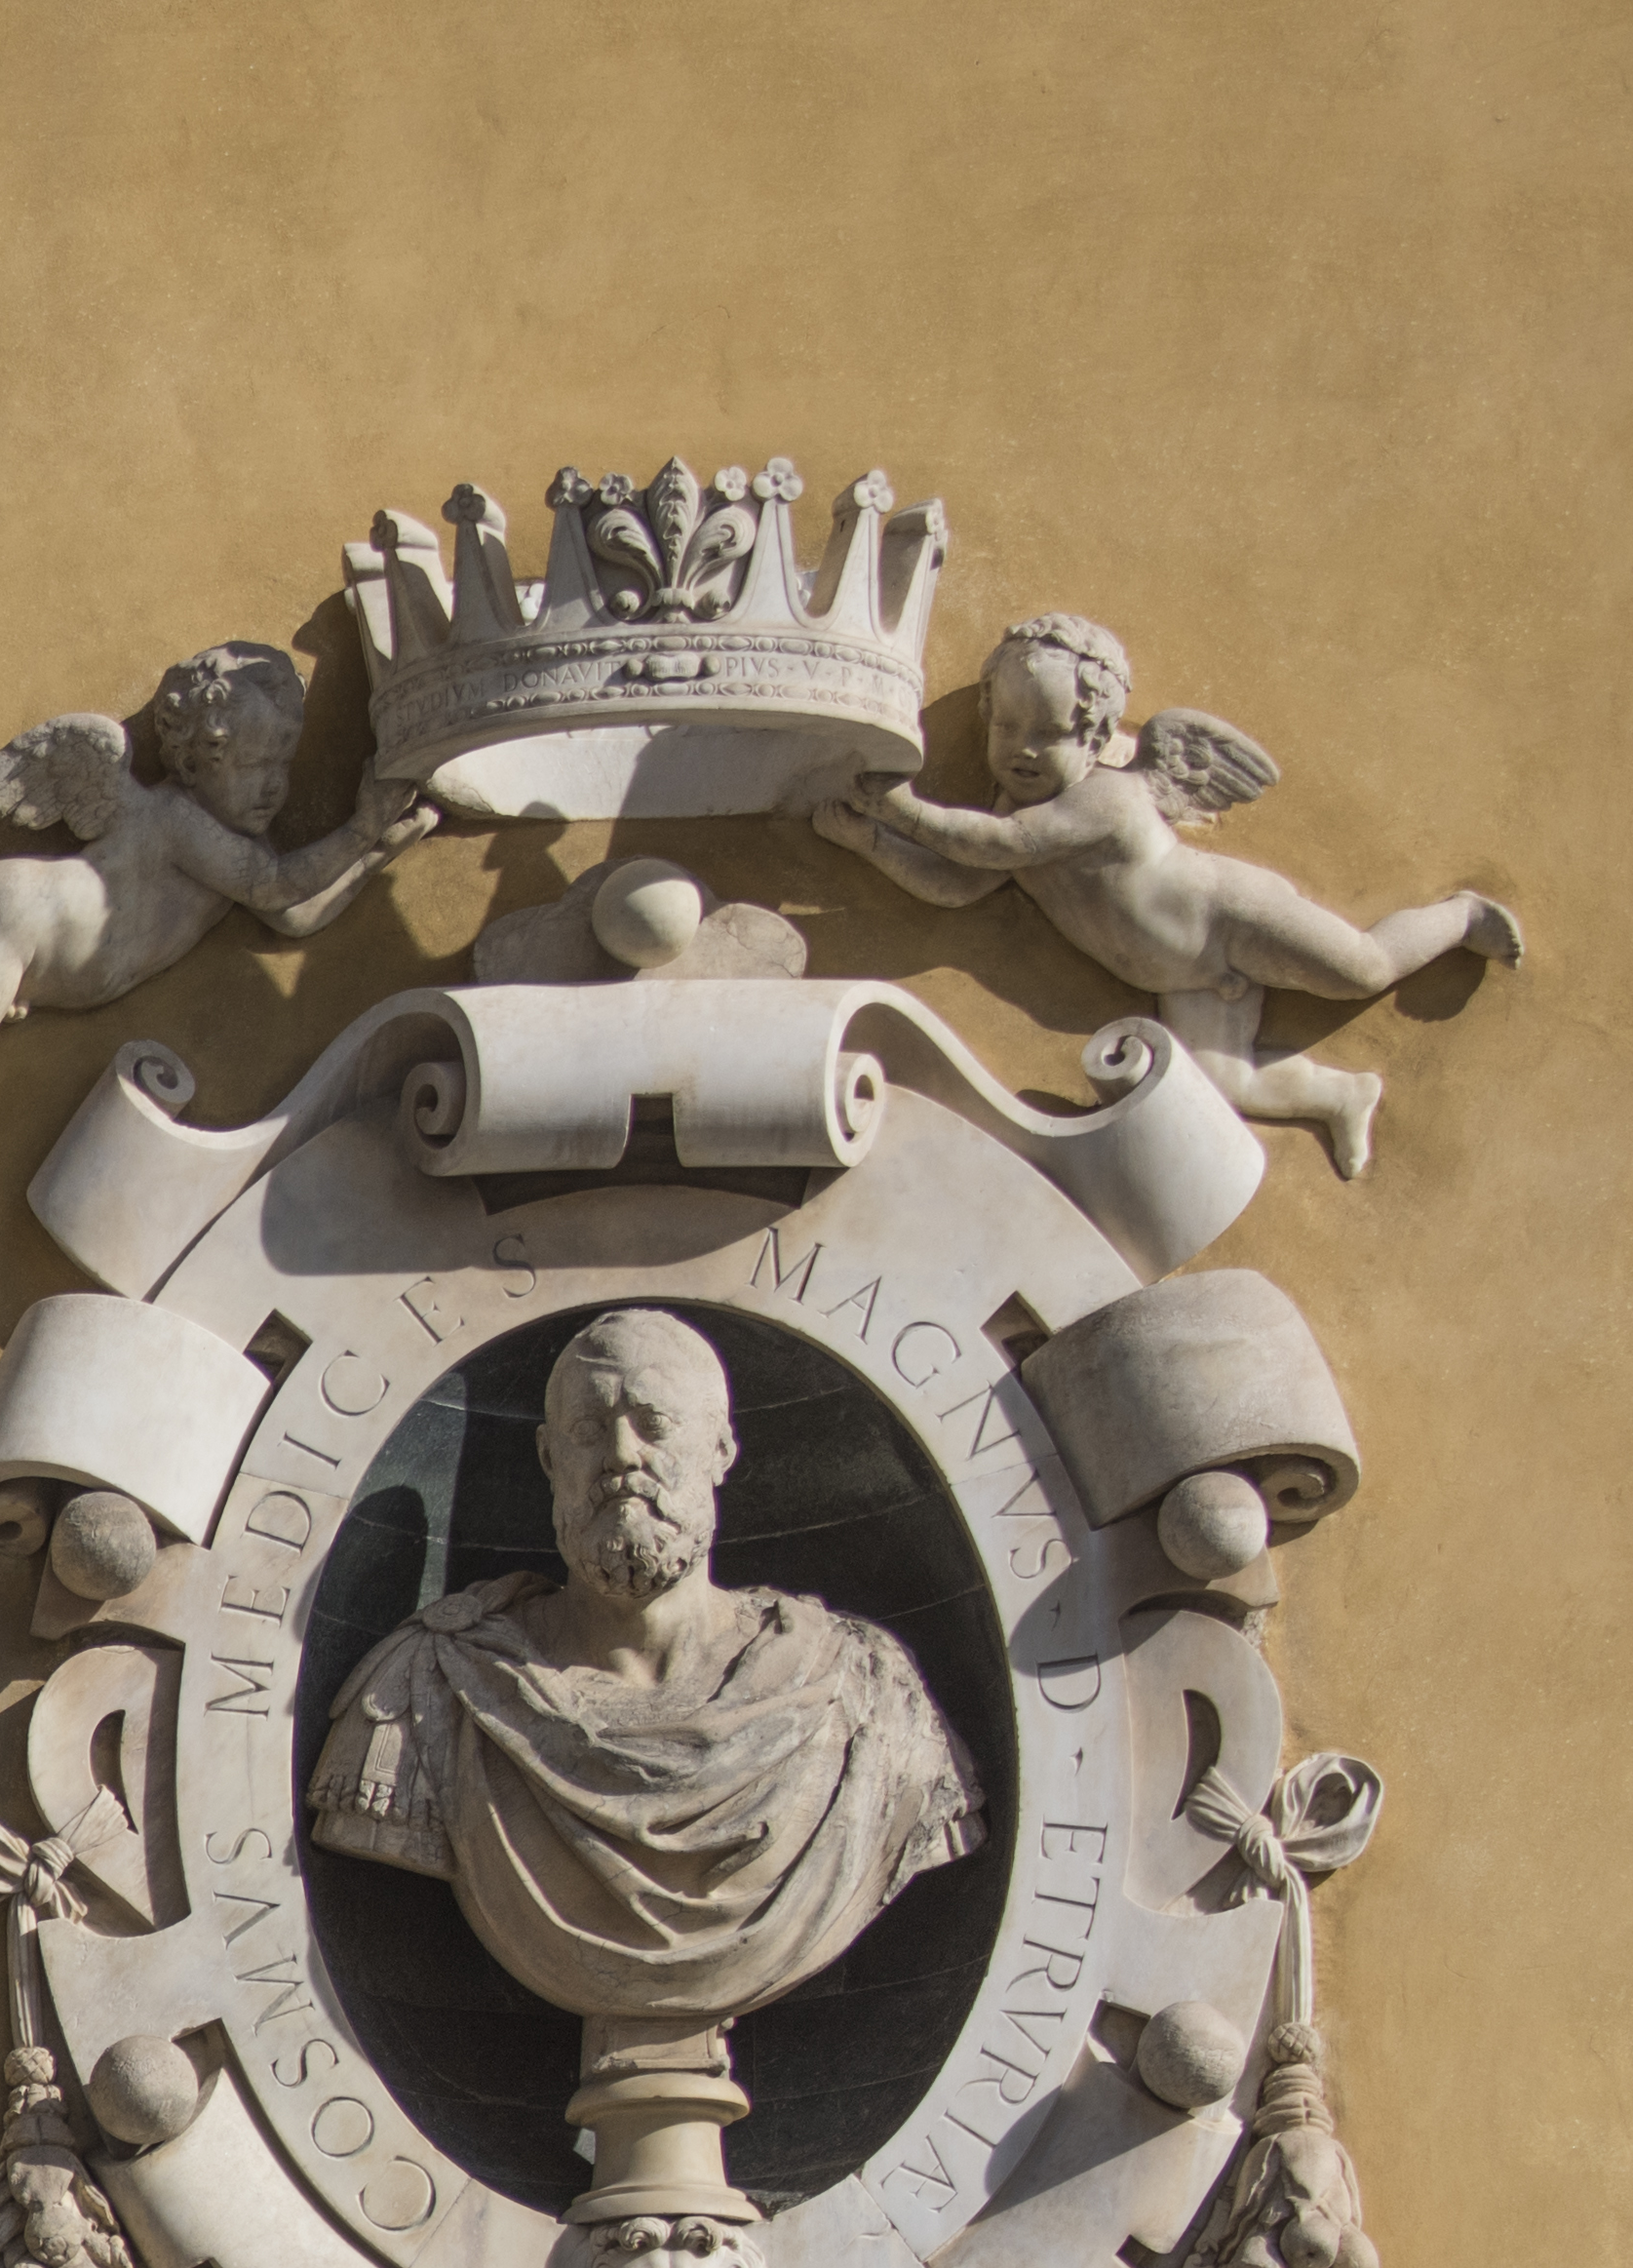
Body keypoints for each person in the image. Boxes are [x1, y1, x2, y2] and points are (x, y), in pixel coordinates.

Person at [308, 1309, 982, 2039]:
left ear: (721, 1449)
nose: (621, 1454)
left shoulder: (864, 1692)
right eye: (589, 1430)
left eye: (654, 1424)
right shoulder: (431, 1685)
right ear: (547, 1457)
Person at [804, 613, 1517, 1180]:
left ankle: (1462, 918)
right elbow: (958, 884)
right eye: (1007, 727)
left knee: (1359, 967)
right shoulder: (1014, 816)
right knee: (1229, 1083)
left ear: (1093, 739)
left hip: (1230, 918)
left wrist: (901, 810)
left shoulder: (1103, 801)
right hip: (1184, 975)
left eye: (1048, 733)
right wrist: (873, 846)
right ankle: (1342, 1094)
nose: (1022, 749)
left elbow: (998, 849)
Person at [0, 642, 434, 1147]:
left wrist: (373, 852)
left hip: (21, 930)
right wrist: (358, 829)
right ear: (196, 757)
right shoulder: (184, 824)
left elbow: (297, 912)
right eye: (253, 765)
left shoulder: (241, 853)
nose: (274, 786)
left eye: (282, 763)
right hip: (18, 918)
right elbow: (280, 886)